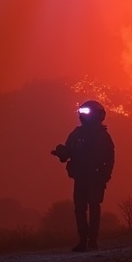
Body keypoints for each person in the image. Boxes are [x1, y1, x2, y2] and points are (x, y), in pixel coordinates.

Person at [51, 99, 115, 252]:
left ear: (98, 115)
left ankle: (92, 241)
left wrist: (105, 176)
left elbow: (110, 158)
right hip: (80, 177)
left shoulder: (103, 137)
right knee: (79, 209)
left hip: (96, 178)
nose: (83, 116)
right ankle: (82, 241)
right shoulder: (77, 134)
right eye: (82, 113)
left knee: (93, 206)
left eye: (87, 113)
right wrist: (61, 152)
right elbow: (68, 152)